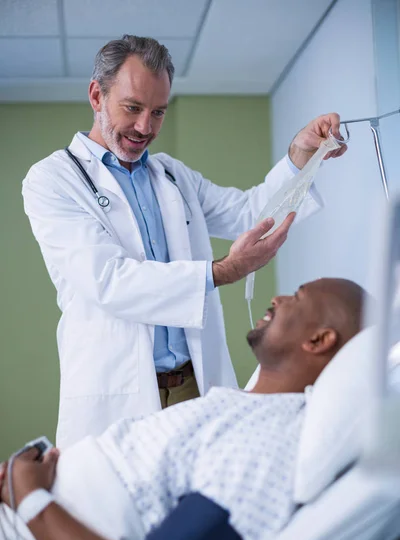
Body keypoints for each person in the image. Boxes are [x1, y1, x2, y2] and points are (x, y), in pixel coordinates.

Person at [22, 34, 347, 449]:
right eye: (133, 108)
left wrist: (302, 155)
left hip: (194, 386)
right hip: (119, 394)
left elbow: (250, 213)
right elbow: (109, 280)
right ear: (96, 95)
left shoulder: (171, 175)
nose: (145, 127)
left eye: (158, 112)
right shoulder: (53, 180)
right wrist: (224, 270)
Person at [0, 278, 363, 540]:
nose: (277, 299)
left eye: (296, 297)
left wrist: (29, 495)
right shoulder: (240, 406)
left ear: (319, 339)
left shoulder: (272, 440)